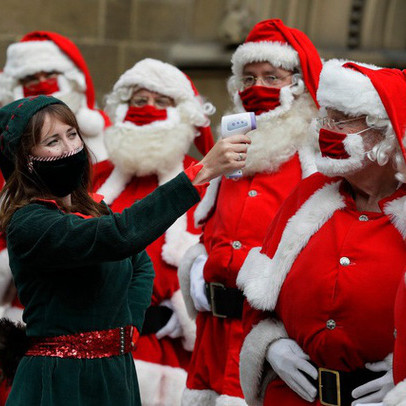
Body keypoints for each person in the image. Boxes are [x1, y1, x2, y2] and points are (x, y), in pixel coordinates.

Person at [0, 95, 249, 406]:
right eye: (52, 141)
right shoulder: (29, 223)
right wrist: (199, 173)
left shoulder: (92, 209)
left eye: (72, 134)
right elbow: (119, 236)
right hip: (59, 379)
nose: (69, 149)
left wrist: (126, 325)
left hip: (115, 372)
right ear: (26, 160)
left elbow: (140, 263)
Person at [237, 60, 406, 406]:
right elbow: (258, 294)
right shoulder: (310, 192)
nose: (325, 130)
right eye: (325, 118)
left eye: (340, 121)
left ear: (385, 134)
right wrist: (270, 345)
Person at [178, 19, 322, 405]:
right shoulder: (229, 151)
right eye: (249, 78)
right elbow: (206, 224)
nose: (258, 89)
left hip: (266, 339)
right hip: (213, 335)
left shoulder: (315, 160)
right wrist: (196, 267)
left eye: (271, 77)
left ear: (297, 85)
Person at [96, 58, 215, 406]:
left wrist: (179, 317)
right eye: (138, 100)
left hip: (165, 354)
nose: (147, 110)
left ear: (184, 115)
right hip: (88, 345)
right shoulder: (94, 178)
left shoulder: (205, 185)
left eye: (161, 102)